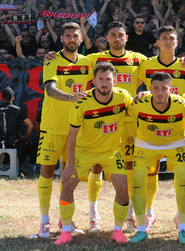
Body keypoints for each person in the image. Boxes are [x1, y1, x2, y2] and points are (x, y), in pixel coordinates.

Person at [54, 62, 133, 245]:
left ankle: (118, 231)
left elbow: (137, 108)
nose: (104, 83)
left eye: (108, 79)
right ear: (94, 81)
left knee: (122, 186)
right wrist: (71, 164)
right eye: (101, 79)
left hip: (111, 151)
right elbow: (72, 134)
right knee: (67, 185)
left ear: (114, 81)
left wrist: (143, 95)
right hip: (84, 150)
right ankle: (66, 231)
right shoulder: (82, 101)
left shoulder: (123, 97)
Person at [85, 20, 147, 232]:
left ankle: (129, 213)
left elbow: (160, 69)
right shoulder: (95, 59)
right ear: (107, 38)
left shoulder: (138, 59)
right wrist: (51, 55)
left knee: (128, 166)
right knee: (97, 165)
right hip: (102, 120)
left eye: (121, 35)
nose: (117, 38)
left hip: (128, 121)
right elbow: (72, 62)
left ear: (126, 38)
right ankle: (93, 214)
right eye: (113, 35)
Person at [136, 25, 185, 231]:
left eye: (172, 38)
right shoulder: (146, 65)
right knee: (150, 173)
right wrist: (142, 95)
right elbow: (132, 88)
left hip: (177, 129)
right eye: (164, 38)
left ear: (177, 43)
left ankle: (181, 215)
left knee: (181, 175)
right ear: (158, 42)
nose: (168, 41)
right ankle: (149, 212)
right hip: (149, 127)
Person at [34, 22, 92, 238]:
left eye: (75, 36)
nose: (71, 39)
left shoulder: (87, 62)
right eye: (67, 36)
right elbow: (50, 89)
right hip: (52, 127)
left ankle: (65, 219)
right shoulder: (52, 60)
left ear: (80, 38)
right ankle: (44, 221)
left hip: (75, 129)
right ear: (61, 39)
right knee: (47, 173)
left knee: (69, 177)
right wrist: (72, 97)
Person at [126, 71, 185, 243]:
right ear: (150, 89)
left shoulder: (181, 103)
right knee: (138, 181)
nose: (160, 93)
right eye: (156, 88)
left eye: (164, 88)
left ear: (171, 89)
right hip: (146, 144)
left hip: (175, 144)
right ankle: (141, 229)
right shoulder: (140, 103)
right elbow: (125, 114)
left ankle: (183, 229)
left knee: (183, 180)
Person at [0, 87, 33, 167]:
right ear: (13, 98)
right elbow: (30, 125)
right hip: (14, 142)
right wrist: (24, 137)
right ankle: (18, 167)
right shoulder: (17, 110)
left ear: (1, 98)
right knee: (26, 143)